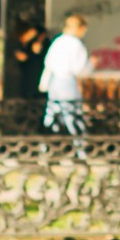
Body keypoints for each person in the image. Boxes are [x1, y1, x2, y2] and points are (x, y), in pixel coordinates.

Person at [38, 10, 92, 149]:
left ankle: (46, 147)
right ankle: (79, 147)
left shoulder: (58, 41)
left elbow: (48, 62)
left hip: (54, 83)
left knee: (52, 114)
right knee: (73, 115)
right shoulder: (76, 44)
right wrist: (92, 64)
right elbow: (79, 68)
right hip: (68, 83)